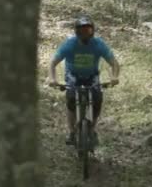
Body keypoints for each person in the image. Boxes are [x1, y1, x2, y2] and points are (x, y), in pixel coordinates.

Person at [48, 16, 120, 145]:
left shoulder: (99, 44)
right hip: (73, 76)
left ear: (93, 31)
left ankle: (91, 130)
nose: (85, 34)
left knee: (97, 99)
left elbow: (114, 63)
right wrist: (52, 79)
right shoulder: (69, 44)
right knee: (71, 100)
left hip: (92, 76)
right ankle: (72, 132)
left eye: (88, 30)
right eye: (82, 31)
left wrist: (114, 77)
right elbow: (53, 63)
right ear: (76, 32)